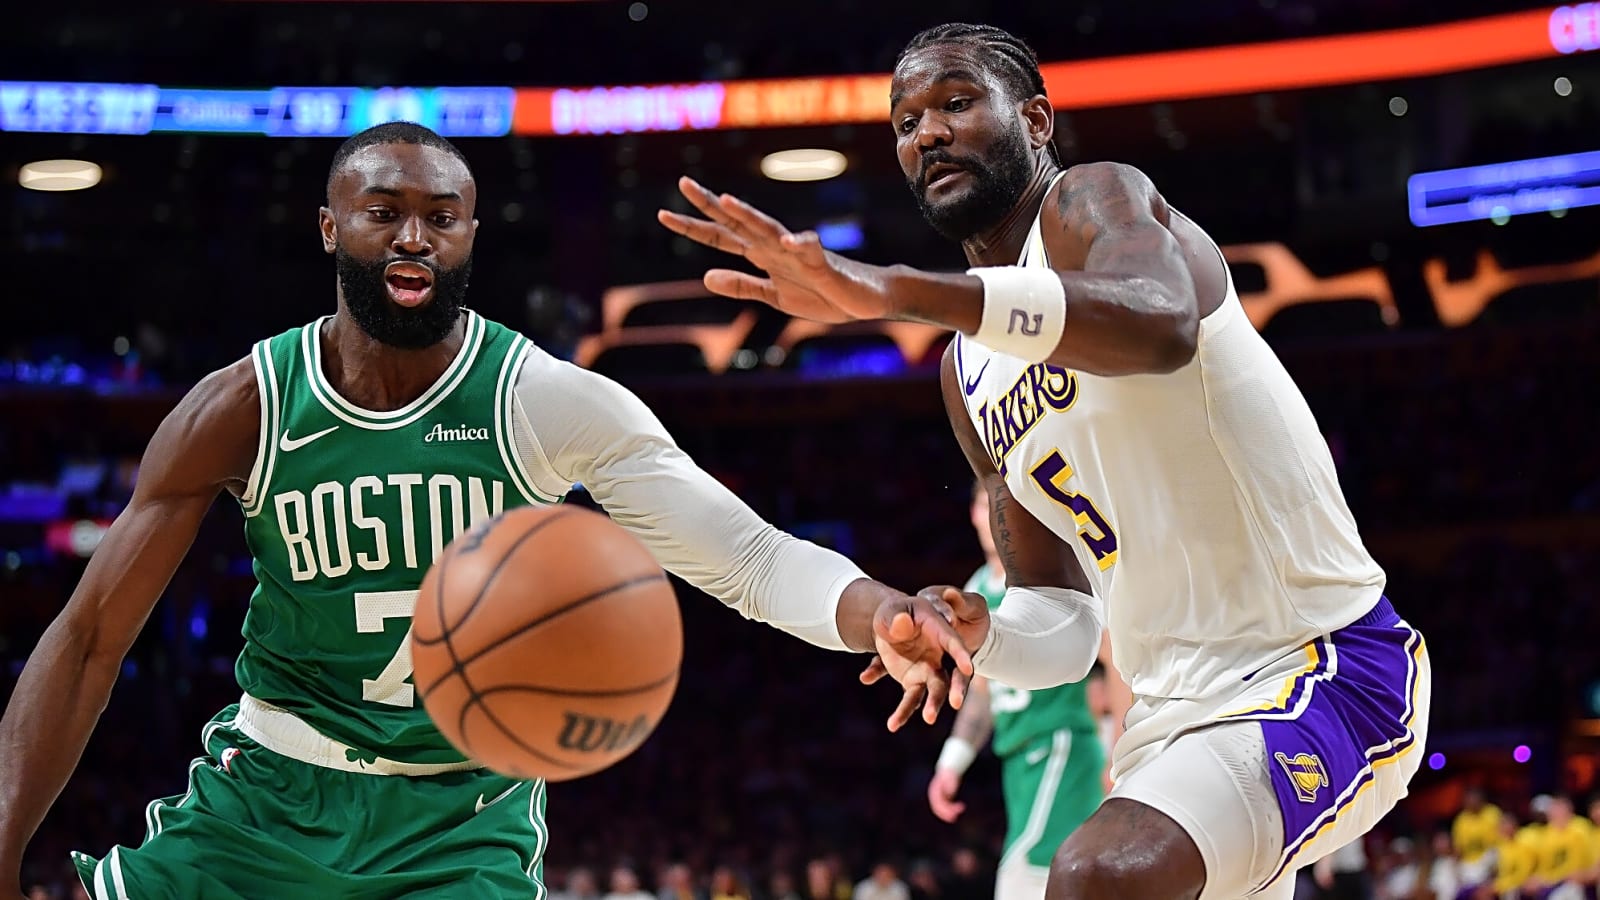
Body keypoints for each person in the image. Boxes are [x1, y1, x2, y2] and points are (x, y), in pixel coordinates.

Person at [0, 122, 956, 900]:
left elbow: (746, 559)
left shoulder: (542, 400)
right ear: (330, 228)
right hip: (267, 799)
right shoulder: (244, 406)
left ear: (469, 237)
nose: (414, 236)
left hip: (460, 826)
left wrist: (877, 609)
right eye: (384, 212)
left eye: (441, 218)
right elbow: (89, 639)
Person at [658, 22, 1432, 900]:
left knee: (1094, 872)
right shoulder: (966, 374)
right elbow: (1062, 622)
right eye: (905, 122)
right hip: (1166, 722)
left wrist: (893, 290)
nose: (928, 134)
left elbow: (1162, 322)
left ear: (1034, 119)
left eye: (955, 103)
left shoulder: (1092, 204)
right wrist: (985, 633)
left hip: (1322, 666)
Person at [927, 481, 1129, 900]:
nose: (996, 515)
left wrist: (1120, 747)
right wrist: (952, 762)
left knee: (1023, 879)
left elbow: (1116, 659)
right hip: (1018, 761)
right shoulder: (975, 589)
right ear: (974, 514)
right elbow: (981, 691)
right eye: (986, 504)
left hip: (1062, 746)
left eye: (1005, 504)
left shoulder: (1050, 575)